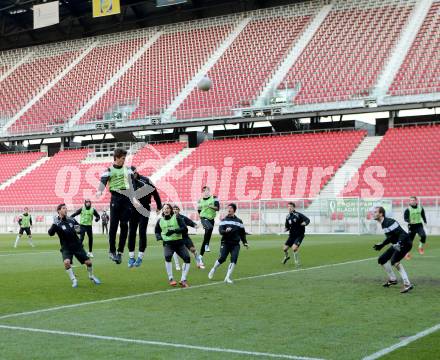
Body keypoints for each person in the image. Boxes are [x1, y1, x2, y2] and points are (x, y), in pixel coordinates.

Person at [97, 148, 140, 264]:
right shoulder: (109, 170)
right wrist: (99, 191)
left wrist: (134, 199)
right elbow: (103, 181)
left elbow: (132, 186)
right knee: (113, 226)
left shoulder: (128, 170)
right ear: (116, 158)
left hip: (127, 199)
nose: (124, 160)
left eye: (125, 158)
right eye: (122, 158)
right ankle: (112, 251)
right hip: (115, 199)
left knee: (125, 225)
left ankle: (120, 252)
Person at [48, 203, 101, 288]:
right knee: (66, 263)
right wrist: (54, 224)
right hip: (66, 247)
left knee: (89, 262)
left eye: (66, 208)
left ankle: (91, 276)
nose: (66, 210)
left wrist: (78, 229)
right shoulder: (57, 223)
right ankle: (74, 280)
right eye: (63, 208)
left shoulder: (71, 220)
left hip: (77, 246)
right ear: (59, 211)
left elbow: (79, 231)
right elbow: (50, 233)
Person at [373, 206, 414, 294]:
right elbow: (391, 237)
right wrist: (382, 244)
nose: (374, 213)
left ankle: (407, 284)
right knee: (382, 259)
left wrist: (399, 243)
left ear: (381, 214)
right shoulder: (383, 223)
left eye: (376, 212)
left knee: (394, 260)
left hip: (405, 242)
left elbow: (402, 234)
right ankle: (392, 279)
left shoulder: (390, 222)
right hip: (398, 244)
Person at [127, 171, 162, 268]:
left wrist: (159, 206)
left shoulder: (146, 180)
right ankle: (131, 257)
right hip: (132, 210)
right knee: (132, 232)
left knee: (142, 232)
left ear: (135, 172)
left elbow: (155, 193)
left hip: (145, 208)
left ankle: (140, 257)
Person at [208, 203, 248, 284]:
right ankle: (214, 269)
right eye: (228, 208)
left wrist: (245, 242)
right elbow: (220, 231)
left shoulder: (239, 221)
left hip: (235, 244)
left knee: (234, 259)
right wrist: (225, 231)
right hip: (225, 242)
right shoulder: (224, 220)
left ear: (234, 209)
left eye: (230, 208)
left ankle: (227, 277)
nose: (228, 209)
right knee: (222, 258)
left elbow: (242, 233)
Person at [155, 204, 191, 288]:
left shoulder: (177, 218)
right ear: (163, 211)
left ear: (170, 210)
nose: (166, 210)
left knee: (187, 258)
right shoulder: (160, 221)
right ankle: (171, 279)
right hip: (168, 244)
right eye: (164, 209)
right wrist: (159, 237)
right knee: (167, 257)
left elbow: (185, 228)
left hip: (179, 243)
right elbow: (157, 231)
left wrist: (174, 231)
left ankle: (183, 279)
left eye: (167, 208)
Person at [171, 205, 205, 270]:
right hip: (176, 238)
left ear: (179, 210)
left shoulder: (183, 218)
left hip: (185, 237)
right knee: (175, 251)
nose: (175, 210)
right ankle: (177, 265)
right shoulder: (171, 219)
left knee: (193, 249)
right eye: (174, 209)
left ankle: (199, 263)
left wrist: (195, 225)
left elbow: (190, 222)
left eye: (176, 209)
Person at [198, 186, 219, 257]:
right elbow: (199, 210)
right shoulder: (200, 200)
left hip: (211, 219)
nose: (205, 192)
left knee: (207, 236)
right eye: (204, 191)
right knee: (209, 228)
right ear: (202, 192)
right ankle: (207, 245)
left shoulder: (214, 197)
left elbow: (217, 208)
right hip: (203, 218)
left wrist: (211, 206)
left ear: (209, 191)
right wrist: (201, 217)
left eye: (206, 190)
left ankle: (200, 256)